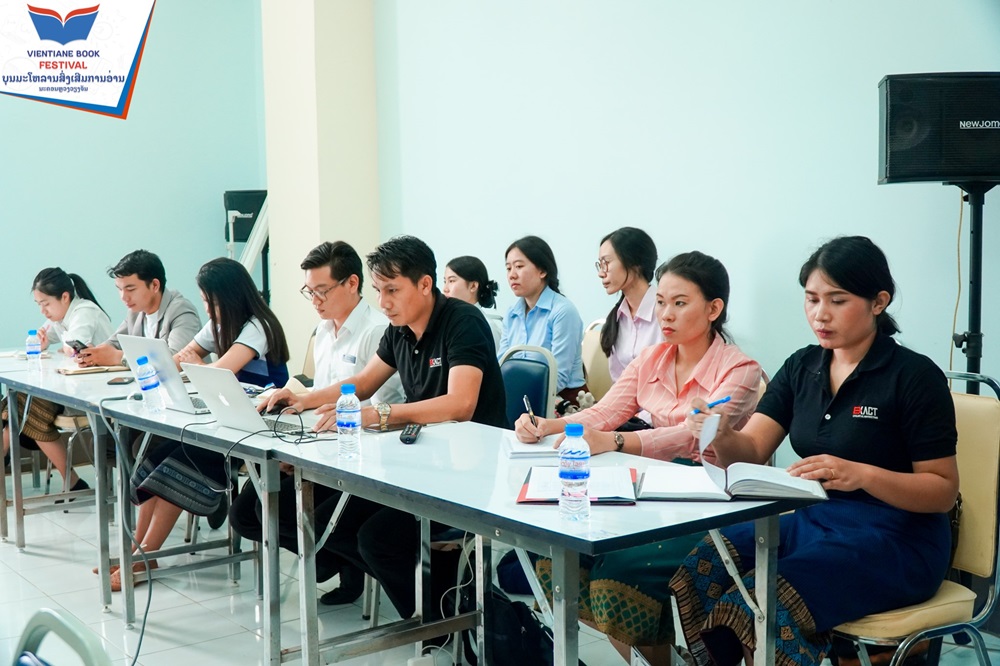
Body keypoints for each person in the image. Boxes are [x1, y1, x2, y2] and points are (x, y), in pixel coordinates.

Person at [670, 236, 959, 666]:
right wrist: (720, 432)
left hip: (898, 538)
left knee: (766, 602)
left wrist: (863, 475)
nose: (820, 314)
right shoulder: (802, 366)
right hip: (816, 520)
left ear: (879, 302)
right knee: (702, 568)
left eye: (837, 300)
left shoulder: (913, 377)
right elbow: (751, 450)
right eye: (811, 299)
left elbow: (942, 491)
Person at [515, 251, 761, 664]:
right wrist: (546, 425)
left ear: (714, 309)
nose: (665, 314)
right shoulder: (652, 358)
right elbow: (605, 412)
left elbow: (687, 437)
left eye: (679, 303)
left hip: (711, 499)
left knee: (621, 576)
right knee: (561, 557)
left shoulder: (740, 370)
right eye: (661, 302)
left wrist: (614, 442)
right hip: (651, 489)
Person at [277, 235, 506, 622]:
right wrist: (304, 399)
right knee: (329, 525)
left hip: (468, 471)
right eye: (379, 290)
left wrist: (379, 414)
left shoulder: (462, 321)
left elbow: (460, 404)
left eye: (392, 290)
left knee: (375, 538)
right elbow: (364, 383)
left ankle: (443, 619)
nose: (383, 302)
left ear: (425, 284)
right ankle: (439, 601)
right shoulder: (399, 329)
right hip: (419, 464)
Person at [233, 240, 404, 605]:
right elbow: (321, 392)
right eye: (309, 291)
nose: (315, 300)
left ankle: (337, 561)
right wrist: (294, 399)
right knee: (245, 513)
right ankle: (333, 560)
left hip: (357, 455)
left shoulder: (377, 331)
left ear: (352, 283)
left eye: (322, 290)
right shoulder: (324, 330)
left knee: (284, 514)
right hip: (319, 443)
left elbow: (381, 409)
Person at [117, 258, 290, 592]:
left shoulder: (258, 326)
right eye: (205, 302)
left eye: (212, 302)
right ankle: (137, 551)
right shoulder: (219, 323)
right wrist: (179, 363)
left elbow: (220, 371)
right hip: (225, 421)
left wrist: (194, 364)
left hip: (257, 428)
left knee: (179, 467)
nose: (208, 310)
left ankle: (146, 556)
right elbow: (181, 359)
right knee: (156, 456)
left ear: (232, 297)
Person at [1, 268, 113, 493]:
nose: (43, 311)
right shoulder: (61, 316)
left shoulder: (85, 311)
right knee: (13, 406)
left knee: (22, 407)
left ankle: (71, 480)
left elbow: (74, 347)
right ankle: (71, 481)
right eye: (38, 304)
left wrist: (65, 347)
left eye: (46, 304)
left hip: (95, 394)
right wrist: (42, 343)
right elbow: (45, 339)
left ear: (64, 297)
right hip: (71, 387)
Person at [498, 235, 586, 407]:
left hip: (563, 400)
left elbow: (558, 377)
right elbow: (502, 365)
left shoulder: (563, 311)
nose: (512, 275)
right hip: (519, 396)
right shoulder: (511, 313)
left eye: (519, 266)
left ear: (542, 271)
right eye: (508, 268)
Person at [75, 249, 201, 368]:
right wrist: (93, 354)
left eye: (130, 289)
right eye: (119, 289)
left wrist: (120, 358)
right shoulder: (135, 312)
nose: (123, 297)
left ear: (155, 285)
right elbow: (113, 344)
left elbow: (175, 359)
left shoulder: (182, 311)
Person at [597, 227, 662, 383]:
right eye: (600, 265)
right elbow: (618, 382)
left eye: (606, 263)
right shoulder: (617, 318)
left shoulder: (665, 312)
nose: (601, 273)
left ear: (634, 262)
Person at [442, 255, 503, 348]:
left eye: (451, 281)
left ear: (473, 286)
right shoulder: (446, 323)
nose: (445, 289)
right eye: (445, 281)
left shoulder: (487, 327)